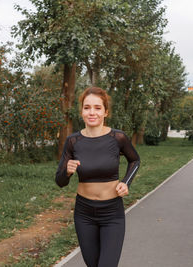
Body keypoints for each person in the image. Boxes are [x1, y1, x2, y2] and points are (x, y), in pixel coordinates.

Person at [55, 87, 140, 267]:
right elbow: (60, 181)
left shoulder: (117, 138)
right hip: (84, 213)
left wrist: (126, 182)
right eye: (87, 108)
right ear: (82, 111)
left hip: (112, 213)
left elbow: (135, 160)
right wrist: (67, 172)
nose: (92, 112)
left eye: (97, 107)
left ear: (105, 112)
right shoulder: (73, 141)